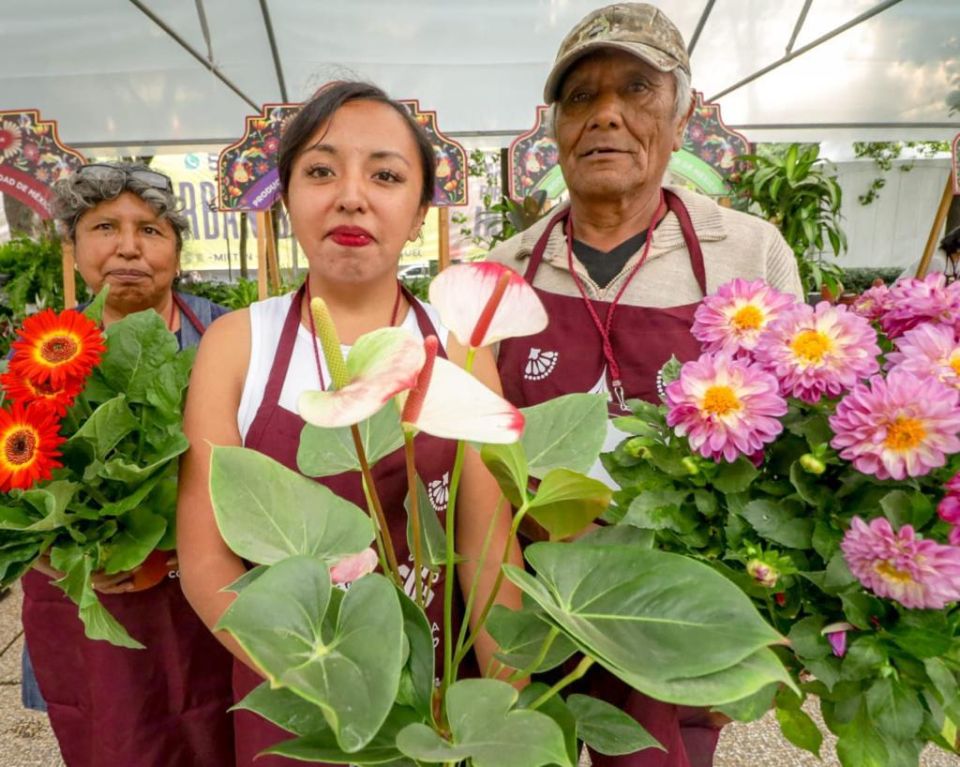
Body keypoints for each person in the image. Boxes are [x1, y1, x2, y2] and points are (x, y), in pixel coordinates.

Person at [490, 4, 802, 767]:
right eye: (580, 98)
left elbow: (797, 425)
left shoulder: (748, 254)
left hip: (676, 608)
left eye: (636, 89)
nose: (606, 116)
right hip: (534, 601)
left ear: (681, 113)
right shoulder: (504, 266)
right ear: (554, 127)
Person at [177, 81, 522, 767]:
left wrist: (508, 721)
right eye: (321, 170)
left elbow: (490, 554)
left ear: (421, 207)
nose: (351, 195)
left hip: (437, 705)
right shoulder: (240, 344)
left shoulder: (458, 348)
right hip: (293, 703)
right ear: (286, 194)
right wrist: (319, 688)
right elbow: (206, 561)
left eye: (386, 174)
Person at [19, 162, 235, 766]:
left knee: (215, 732)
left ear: (178, 249)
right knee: (108, 741)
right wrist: (49, 548)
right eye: (104, 226)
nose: (128, 248)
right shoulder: (33, 353)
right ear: (75, 243)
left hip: (204, 592)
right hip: (85, 600)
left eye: (151, 230)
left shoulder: (226, 338)